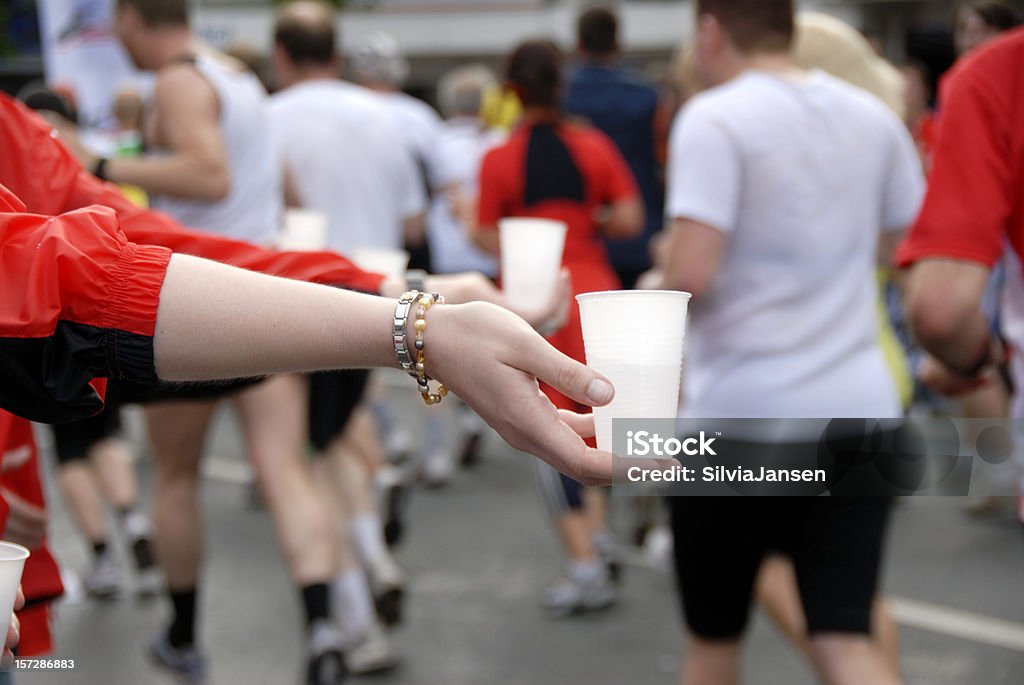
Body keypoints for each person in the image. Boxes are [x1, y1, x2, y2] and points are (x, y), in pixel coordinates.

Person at [647, 1, 922, 683]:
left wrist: (652, 279)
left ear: (710, 31)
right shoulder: (874, 119)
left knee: (714, 644)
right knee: (843, 635)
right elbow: (903, 251)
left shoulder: (714, 117)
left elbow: (691, 275)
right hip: (860, 409)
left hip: (742, 415)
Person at [268, 1, 427, 671]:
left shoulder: (265, 118)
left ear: (281, 56)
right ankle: (378, 544)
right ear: (336, 51)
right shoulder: (384, 116)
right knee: (339, 431)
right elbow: (414, 223)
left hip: (293, 298)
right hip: (377, 294)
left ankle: (358, 619)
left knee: (308, 459)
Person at [472, 40, 643, 617]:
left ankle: (585, 564)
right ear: (561, 86)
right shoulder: (592, 146)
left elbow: (484, 232)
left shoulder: (499, 158)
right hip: (598, 293)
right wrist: (586, 218)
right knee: (601, 423)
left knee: (547, 432)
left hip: (538, 301)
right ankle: (600, 536)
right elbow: (629, 218)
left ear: (512, 91)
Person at [898, 27, 1024, 529]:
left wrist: (976, 360)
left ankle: (996, 469)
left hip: (967, 252)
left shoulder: (995, 76)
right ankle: (994, 469)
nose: (967, 41)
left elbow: (942, 309)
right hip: (966, 249)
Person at [565, 5, 664, 289]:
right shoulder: (648, 96)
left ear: (579, 45)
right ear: (618, 44)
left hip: (583, 234)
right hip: (639, 228)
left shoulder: (563, 96)